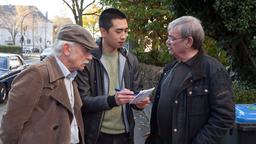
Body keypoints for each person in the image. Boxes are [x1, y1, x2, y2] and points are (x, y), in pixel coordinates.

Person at [0, 24, 98, 144]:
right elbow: (11, 124)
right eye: (86, 51)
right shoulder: (37, 74)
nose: (90, 57)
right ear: (67, 49)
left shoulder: (71, 75)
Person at [145, 16, 235, 144]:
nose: (167, 42)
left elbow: (224, 117)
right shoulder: (170, 68)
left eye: (172, 38)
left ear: (188, 41)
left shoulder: (213, 70)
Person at [76, 8, 150, 144]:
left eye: (126, 31)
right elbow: (82, 101)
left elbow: (135, 93)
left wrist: (139, 103)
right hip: (96, 135)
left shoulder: (131, 59)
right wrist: (112, 100)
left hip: (126, 134)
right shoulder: (87, 59)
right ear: (103, 32)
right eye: (118, 31)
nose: (124, 36)